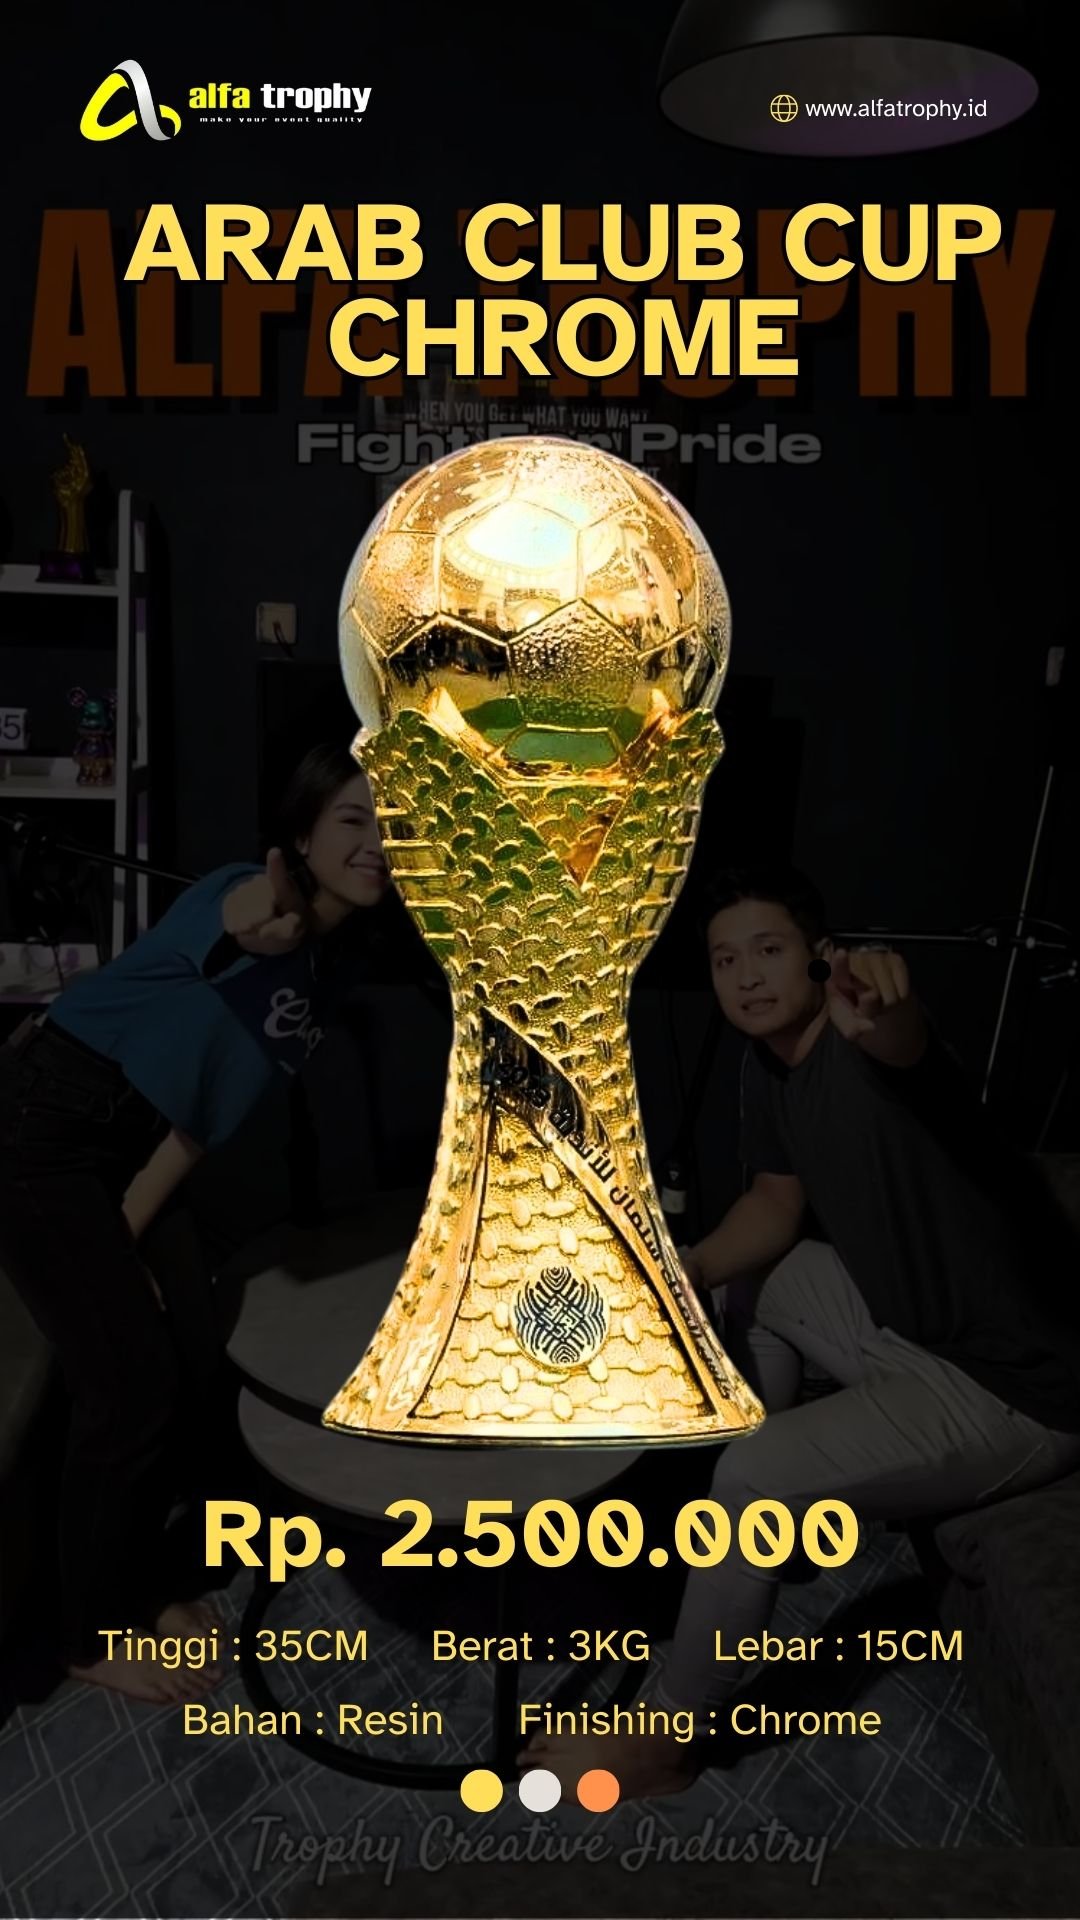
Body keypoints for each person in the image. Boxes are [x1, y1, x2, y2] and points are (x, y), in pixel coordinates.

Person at [519, 863, 1080, 1797]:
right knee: (760, 1275)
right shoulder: (767, 1065)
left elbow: (903, 1039)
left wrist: (888, 1004)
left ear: (822, 959)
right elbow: (776, 1205)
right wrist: (690, 1268)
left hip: (1013, 1391)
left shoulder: (866, 1040)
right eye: (724, 959)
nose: (746, 976)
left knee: (753, 1476)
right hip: (910, 1336)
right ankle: (763, 1535)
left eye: (769, 950)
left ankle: (671, 1741)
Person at [0, 743, 388, 1703]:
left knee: (192, 1350)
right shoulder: (241, 897)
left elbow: (196, 1125)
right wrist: (266, 921)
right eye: (353, 821)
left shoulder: (328, 974)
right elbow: (245, 920)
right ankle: (86, 1636)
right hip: (38, 1127)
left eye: (397, 829)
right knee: (131, 1387)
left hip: (123, 1150)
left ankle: (139, 1578)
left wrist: (123, 1237)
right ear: (302, 835)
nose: (378, 844)